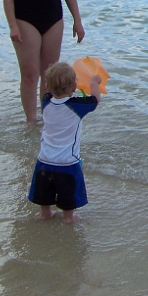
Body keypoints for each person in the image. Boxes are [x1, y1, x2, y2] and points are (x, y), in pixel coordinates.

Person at [28, 62, 101, 224]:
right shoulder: (76, 106)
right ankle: (68, 217)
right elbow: (95, 100)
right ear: (74, 87)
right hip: (67, 162)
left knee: (44, 191)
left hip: (44, 160)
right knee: (68, 192)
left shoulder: (46, 102)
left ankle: (45, 213)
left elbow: (53, 95)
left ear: (47, 87)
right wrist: (94, 83)